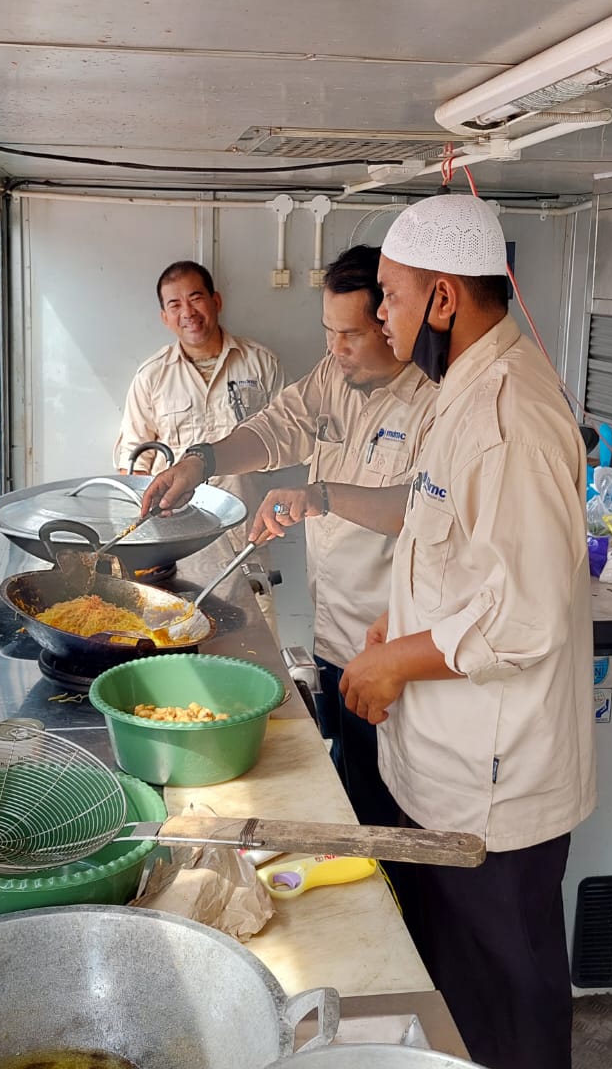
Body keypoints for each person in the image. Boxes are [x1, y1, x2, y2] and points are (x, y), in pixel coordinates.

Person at [267, 194, 594, 1068]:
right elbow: (448, 550)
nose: (381, 314)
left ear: (443, 298)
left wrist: (395, 662)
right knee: (457, 984)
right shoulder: (464, 390)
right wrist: (393, 626)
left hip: (497, 784)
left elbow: (524, 617)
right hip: (448, 765)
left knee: (509, 993)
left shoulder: (508, 417)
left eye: (392, 295)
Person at [140, 245, 437, 827]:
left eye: (350, 334)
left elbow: (420, 509)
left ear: (391, 320)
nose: (335, 348)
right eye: (328, 331)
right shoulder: (335, 375)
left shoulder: (435, 401)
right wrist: (201, 461)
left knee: (395, 807)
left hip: (395, 645)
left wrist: (320, 496)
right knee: (350, 788)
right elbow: (276, 427)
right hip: (334, 630)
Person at [113, 260, 283, 509]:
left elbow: (288, 436)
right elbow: (134, 462)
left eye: (195, 299)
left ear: (216, 302)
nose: (188, 312)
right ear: (164, 317)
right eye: (175, 305)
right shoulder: (151, 376)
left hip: (246, 520)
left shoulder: (262, 364)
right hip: (174, 523)